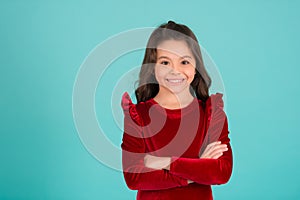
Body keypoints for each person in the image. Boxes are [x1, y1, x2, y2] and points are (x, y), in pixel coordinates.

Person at [121, 21, 233, 200]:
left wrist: (165, 162)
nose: (175, 71)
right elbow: (134, 178)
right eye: (165, 62)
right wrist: (197, 168)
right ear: (152, 67)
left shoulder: (211, 115)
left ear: (196, 66)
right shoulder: (138, 117)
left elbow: (221, 173)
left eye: (184, 61)